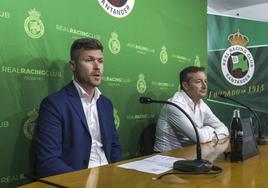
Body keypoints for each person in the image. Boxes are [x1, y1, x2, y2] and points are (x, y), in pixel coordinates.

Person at [35, 38, 122, 177]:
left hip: (109, 176)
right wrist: (83, 181)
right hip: (77, 179)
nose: (97, 67)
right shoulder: (54, 104)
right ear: (73, 65)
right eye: (89, 60)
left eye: (100, 61)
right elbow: (48, 161)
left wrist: (117, 175)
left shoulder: (106, 104)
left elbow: (114, 147)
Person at [154, 66, 229, 152]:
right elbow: (199, 138)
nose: (204, 86)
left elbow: (224, 129)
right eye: (198, 82)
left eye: (205, 81)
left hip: (188, 153)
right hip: (166, 156)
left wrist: (206, 133)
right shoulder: (175, 105)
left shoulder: (201, 104)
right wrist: (211, 129)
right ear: (185, 85)